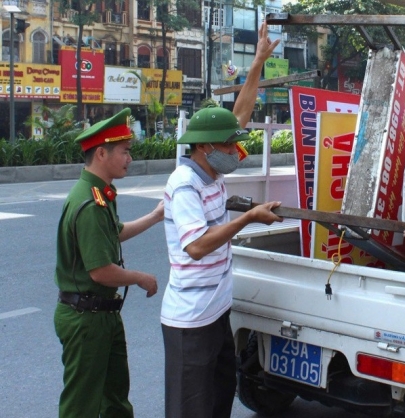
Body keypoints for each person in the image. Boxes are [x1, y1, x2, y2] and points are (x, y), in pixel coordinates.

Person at [161, 22, 282, 418]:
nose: (236, 149)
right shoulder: (185, 184)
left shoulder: (214, 170)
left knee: (218, 400)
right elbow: (195, 246)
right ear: (203, 147)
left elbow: (240, 112)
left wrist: (258, 62)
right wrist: (246, 217)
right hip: (190, 321)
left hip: (216, 313)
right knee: (190, 409)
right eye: (229, 144)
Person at [54, 108, 164, 417]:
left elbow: (114, 234)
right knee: (82, 406)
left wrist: (155, 217)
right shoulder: (89, 203)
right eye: (125, 152)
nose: (130, 158)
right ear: (102, 153)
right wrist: (139, 277)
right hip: (86, 318)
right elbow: (100, 271)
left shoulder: (99, 194)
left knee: (115, 399)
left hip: (100, 314)